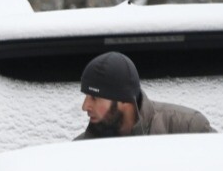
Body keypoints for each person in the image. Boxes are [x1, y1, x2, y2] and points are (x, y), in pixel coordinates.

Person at [75, 51, 215, 140]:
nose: (85, 106)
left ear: (124, 100)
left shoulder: (187, 127)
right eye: (86, 96)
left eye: (94, 97)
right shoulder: (81, 150)